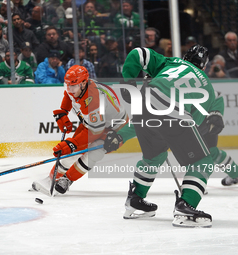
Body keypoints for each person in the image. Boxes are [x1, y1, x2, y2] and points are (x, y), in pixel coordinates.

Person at [104, 45, 220, 228]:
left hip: (143, 107)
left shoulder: (172, 62)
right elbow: (194, 122)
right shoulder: (207, 85)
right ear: (204, 67)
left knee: (155, 155)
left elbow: (139, 53)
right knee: (203, 161)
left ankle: (135, 199)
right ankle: (186, 206)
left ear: (185, 57)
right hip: (173, 111)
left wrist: (128, 81)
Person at [32, 65, 127, 196]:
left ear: (83, 83)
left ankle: (67, 180)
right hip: (94, 123)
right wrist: (63, 112)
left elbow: (96, 132)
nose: (70, 89)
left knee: (95, 151)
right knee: (74, 151)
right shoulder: (76, 88)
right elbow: (68, 95)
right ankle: (51, 179)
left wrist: (72, 143)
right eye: (68, 85)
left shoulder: (94, 100)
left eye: (73, 86)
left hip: (115, 128)